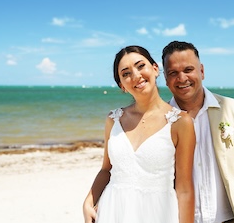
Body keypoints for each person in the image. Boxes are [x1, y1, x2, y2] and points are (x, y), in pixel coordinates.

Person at [162, 41, 234, 223]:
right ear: (166, 79)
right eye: (173, 73)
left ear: (202, 71)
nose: (182, 78)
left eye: (188, 70)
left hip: (233, 218)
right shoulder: (160, 120)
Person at [82, 45, 196, 223]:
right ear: (122, 86)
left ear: (155, 69)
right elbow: (106, 170)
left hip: (158, 213)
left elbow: (184, 189)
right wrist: (88, 202)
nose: (135, 76)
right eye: (126, 73)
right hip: (113, 210)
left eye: (140, 66)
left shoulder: (181, 122)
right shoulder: (113, 119)